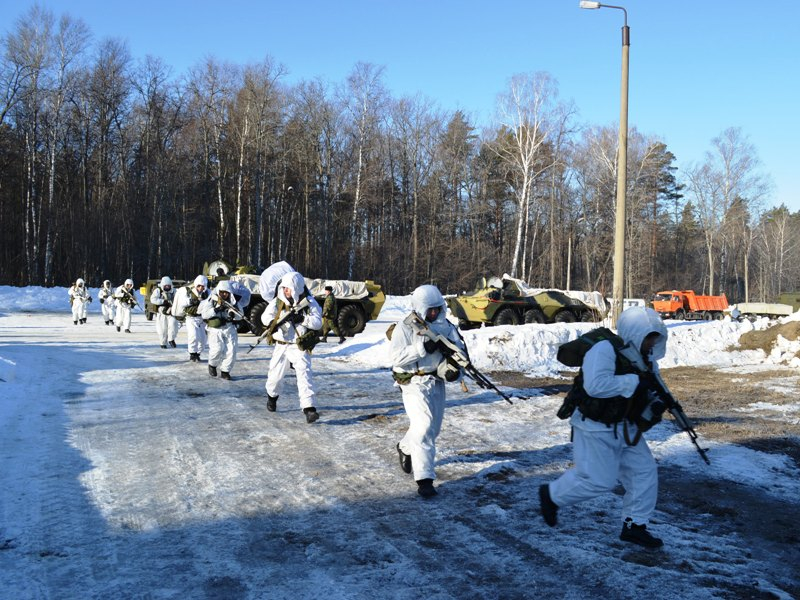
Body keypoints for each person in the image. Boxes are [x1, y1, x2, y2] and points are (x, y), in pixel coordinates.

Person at [539, 306, 668, 548]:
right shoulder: (604, 349)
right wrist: (634, 382)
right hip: (595, 427)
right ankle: (552, 495)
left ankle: (634, 526)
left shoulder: (646, 359)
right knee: (599, 481)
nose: (651, 344)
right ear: (635, 332)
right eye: (648, 337)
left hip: (626, 426)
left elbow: (650, 386)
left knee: (644, 472)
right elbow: (595, 386)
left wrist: (656, 401)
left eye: (655, 339)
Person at [389, 284, 466, 499]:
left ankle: (405, 447)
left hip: (436, 381)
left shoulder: (447, 327)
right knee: (423, 426)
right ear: (420, 308)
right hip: (413, 382)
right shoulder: (405, 327)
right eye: (429, 309)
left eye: (437, 309)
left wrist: (455, 373)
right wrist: (421, 348)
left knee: (432, 429)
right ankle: (425, 479)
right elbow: (396, 358)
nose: (434, 313)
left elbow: (459, 354)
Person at [260, 271, 323, 423]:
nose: (285, 290)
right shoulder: (278, 301)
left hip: (299, 346)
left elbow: (318, 322)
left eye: (288, 287)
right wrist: (271, 324)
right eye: (284, 287)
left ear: (296, 288)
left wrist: (303, 318)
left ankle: (309, 408)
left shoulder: (309, 302)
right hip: (281, 345)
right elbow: (265, 316)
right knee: (275, 378)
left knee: (304, 375)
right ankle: (272, 397)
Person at [200, 280, 242, 380]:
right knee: (217, 349)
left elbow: (241, 315)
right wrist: (216, 310)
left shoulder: (233, 301)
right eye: (222, 292)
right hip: (215, 329)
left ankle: (225, 371)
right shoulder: (212, 300)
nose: (224, 294)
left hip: (229, 327)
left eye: (226, 292)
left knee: (232, 350)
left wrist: (233, 315)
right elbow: (204, 314)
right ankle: (212, 365)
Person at [173, 275, 209, 362]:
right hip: (191, 317)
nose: (200, 288)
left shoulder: (208, 293)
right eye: (199, 286)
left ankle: (198, 353)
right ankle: (192, 353)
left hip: (202, 319)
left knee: (203, 339)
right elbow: (182, 302)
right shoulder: (189, 292)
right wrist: (191, 301)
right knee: (193, 336)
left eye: (203, 286)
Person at [151, 276, 179, 349]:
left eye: (168, 286)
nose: (167, 287)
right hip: (161, 313)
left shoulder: (174, 291)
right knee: (162, 329)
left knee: (173, 325)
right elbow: (153, 299)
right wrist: (163, 301)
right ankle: (163, 343)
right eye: (165, 286)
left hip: (171, 312)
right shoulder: (158, 291)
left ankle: (171, 339)